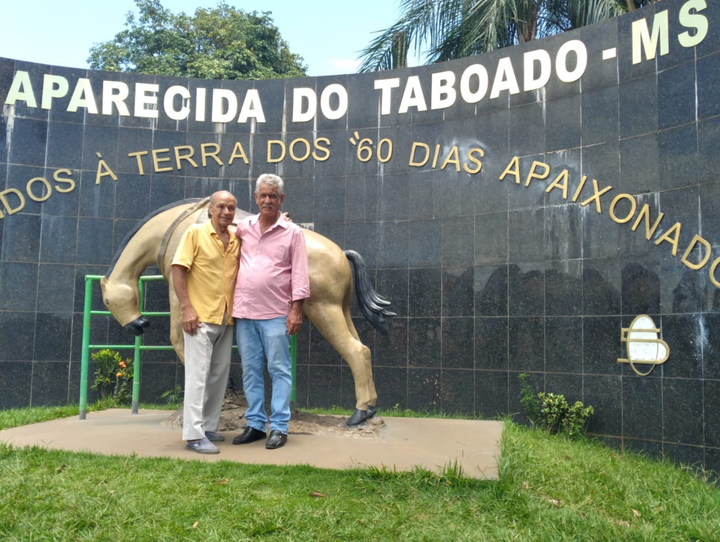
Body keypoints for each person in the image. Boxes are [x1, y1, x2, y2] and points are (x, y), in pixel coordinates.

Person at [232, 173, 310, 450]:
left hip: (277, 313)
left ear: (281, 200)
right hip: (243, 313)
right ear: (255, 197)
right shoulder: (243, 227)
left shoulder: (293, 232)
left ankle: (278, 427)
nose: (267, 200)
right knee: (251, 370)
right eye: (263, 195)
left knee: (279, 369)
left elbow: (300, 275)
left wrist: (296, 311)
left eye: (273, 196)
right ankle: (254, 424)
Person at [171, 190, 239, 454]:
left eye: (231, 208)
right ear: (211, 208)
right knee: (197, 377)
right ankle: (193, 435)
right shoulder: (194, 233)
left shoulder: (235, 239)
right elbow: (178, 269)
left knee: (218, 376)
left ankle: (208, 427)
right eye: (221, 206)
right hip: (198, 319)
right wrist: (185, 308)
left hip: (226, 318)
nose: (226, 212)